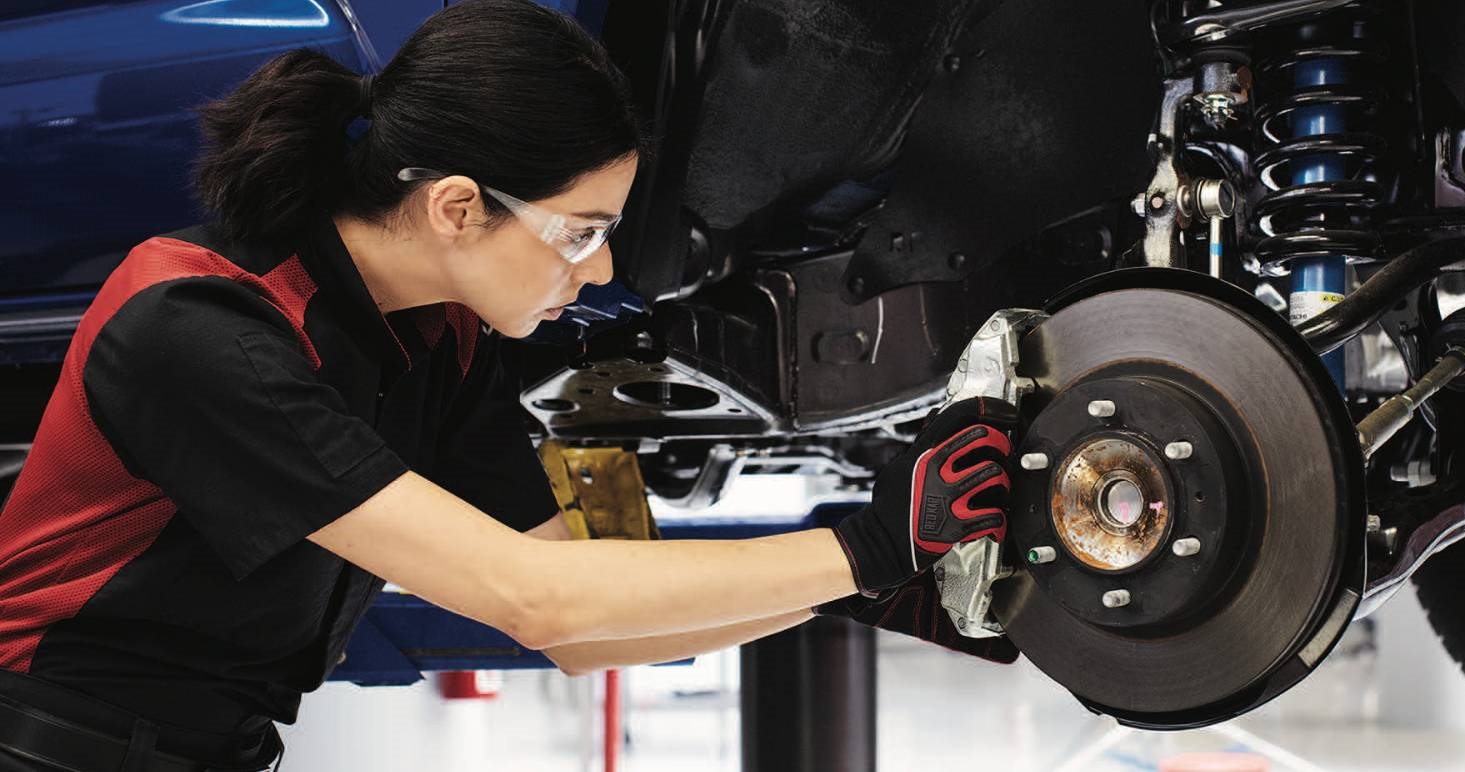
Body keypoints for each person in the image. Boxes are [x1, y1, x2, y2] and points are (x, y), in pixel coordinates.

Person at [0, 2, 1018, 769]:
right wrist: (867, 543)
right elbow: (534, 601)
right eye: (582, 232)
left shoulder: (441, 339)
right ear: (454, 207)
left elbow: (590, 617)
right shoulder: (202, 327)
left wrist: (855, 590)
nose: (605, 273)